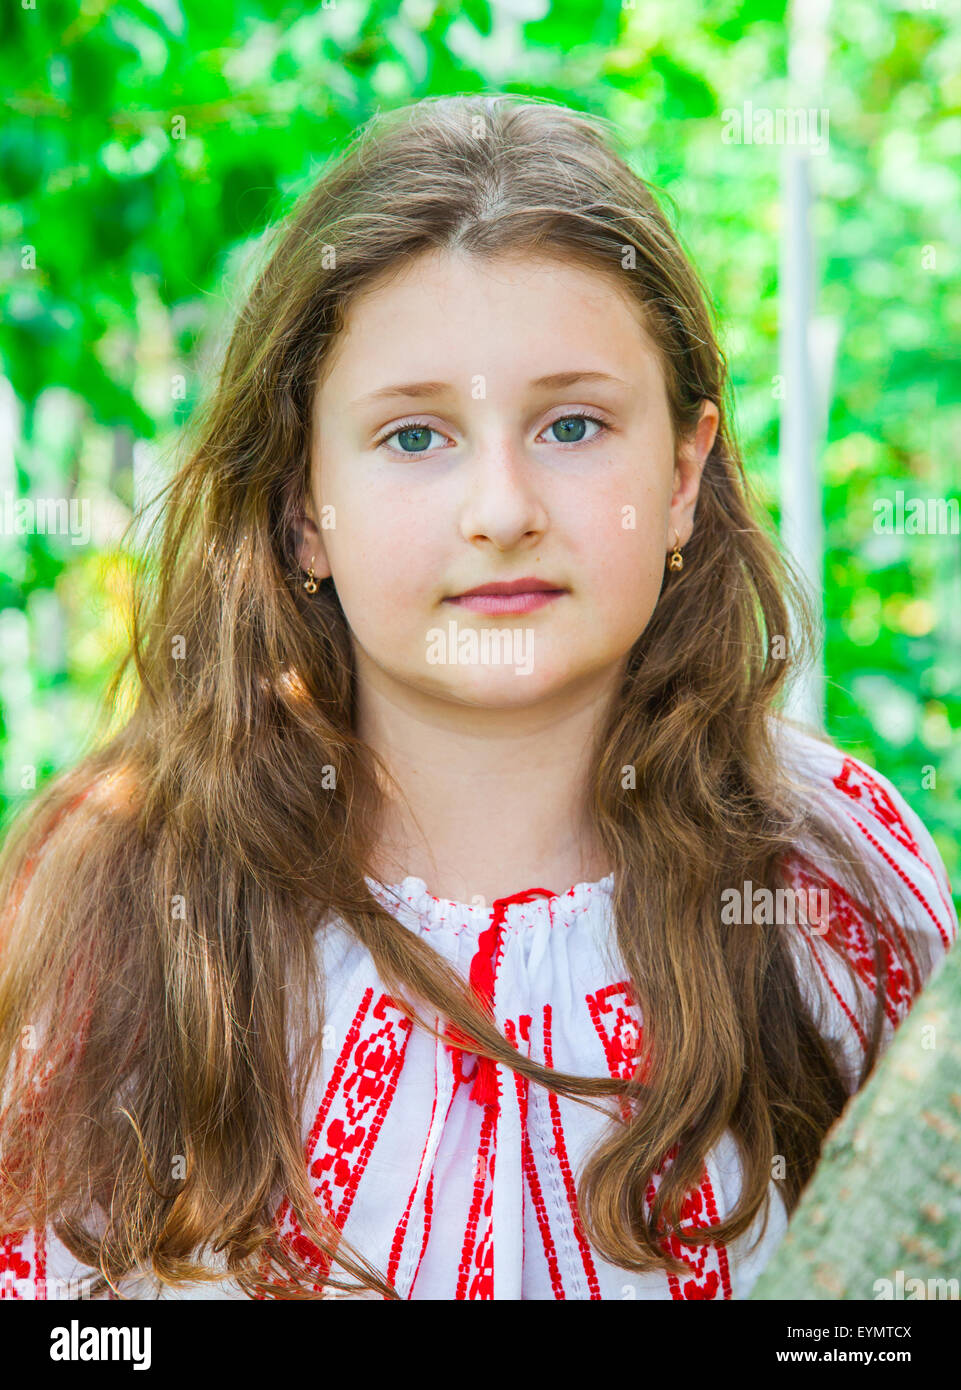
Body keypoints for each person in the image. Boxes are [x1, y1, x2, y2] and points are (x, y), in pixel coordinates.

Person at [0, 93, 956, 1302]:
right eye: (414, 437)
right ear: (302, 507)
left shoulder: (830, 880)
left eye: (570, 424)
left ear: (679, 474)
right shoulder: (127, 894)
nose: (501, 508)